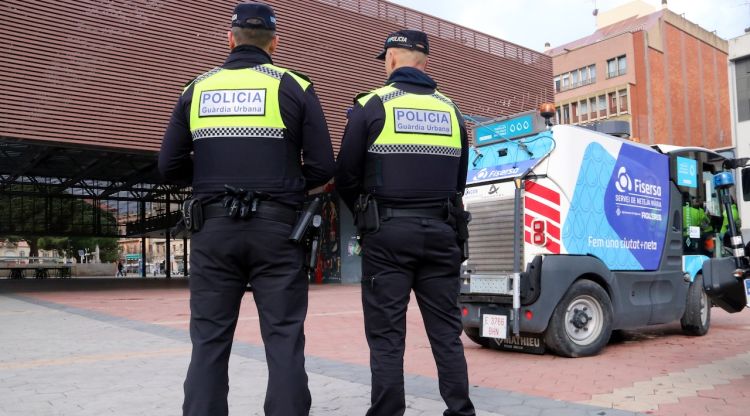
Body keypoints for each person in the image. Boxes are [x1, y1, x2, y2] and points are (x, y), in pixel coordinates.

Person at [158, 2, 334, 415]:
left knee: (209, 340)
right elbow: (325, 166)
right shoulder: (294, 86)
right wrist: (285, 187)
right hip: (278, 231)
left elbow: (168, 166)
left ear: (229, 38)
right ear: (274, 42)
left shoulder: (196, 89)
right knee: (284, 336)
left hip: (212, 229)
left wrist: (209, 184)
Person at [335, 29, 475, 416]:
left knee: (386, 336)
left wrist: (367, 217)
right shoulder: (452, 110)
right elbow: (459, 181)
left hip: (388, 235)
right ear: (425, 62)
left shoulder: (372, 105)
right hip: (442, 232)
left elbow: (345, 174)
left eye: (384, 57)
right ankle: (461, 411)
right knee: (446, 332)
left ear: (392, 59)